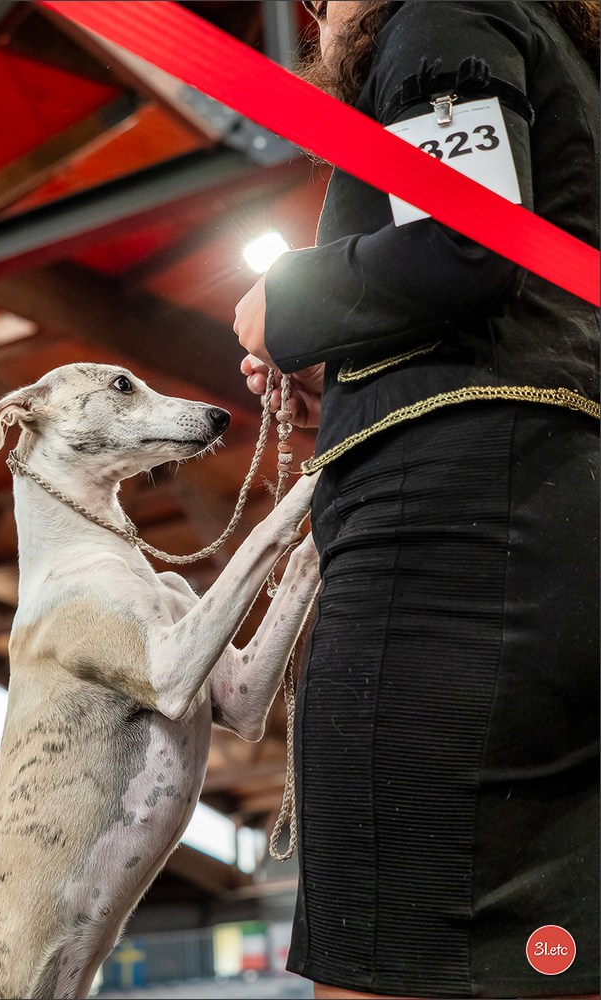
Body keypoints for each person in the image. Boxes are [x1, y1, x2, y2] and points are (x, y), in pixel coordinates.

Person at [233, 2, 600, 998]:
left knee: (388, 948)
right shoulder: (563, 62)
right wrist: (352, 370)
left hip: (451, 548)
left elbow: (468, 245)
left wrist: (290, 300)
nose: (316, 14)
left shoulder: (442, 12)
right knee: (549, 953)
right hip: (551, 513)